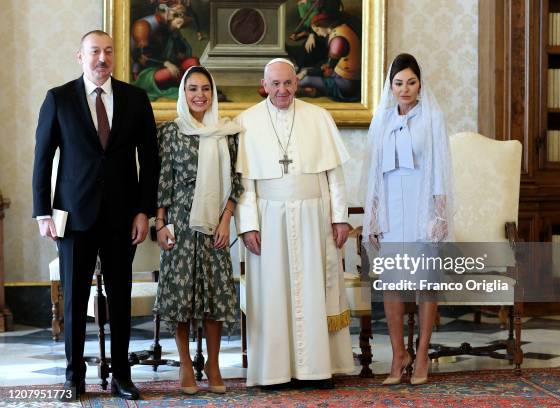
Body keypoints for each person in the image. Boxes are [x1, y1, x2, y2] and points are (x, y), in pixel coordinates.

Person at [32, 30, 159, 400]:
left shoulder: (136, 99)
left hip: (123, 217)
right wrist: (43, 213)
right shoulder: (58, 99)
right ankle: (74, 378)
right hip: (73, 216)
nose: (101, 58)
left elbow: (150, 162)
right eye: (94, 52)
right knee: (73, 300)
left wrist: (144, 211)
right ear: (80, 56)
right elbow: (43, 160)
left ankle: (122, 375)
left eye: (107, 51)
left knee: (120, 298)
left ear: (114, 56)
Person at [235, 58, 354, 387]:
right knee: (273, 293)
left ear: (297, 83)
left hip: (314, 216)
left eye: (288, 83)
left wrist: (340, 217)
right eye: (275, 84)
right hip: (268, 218)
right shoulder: (247, 122)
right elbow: (244, 183)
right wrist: (248, 225)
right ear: (265, 84)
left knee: (315, 289)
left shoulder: (319, 117)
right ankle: (275, 371)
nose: (282, 90)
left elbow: (335, 175)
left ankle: (317, 370)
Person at [362, 53, 453, 386]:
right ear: (391, 85)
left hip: (421, 207)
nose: (405, 89)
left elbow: (441, 167)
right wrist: (371, 216)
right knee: (392, 285)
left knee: (426, 284)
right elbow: (373, 171)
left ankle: (423, 352)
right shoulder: (382, 119)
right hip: (389, 207)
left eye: (411, 82)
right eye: (398, 83)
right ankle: (399, 355)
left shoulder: (433, 118)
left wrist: (439, 213)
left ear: (419, 84)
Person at [153, 66, 243, 394]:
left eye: (205, 88)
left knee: (215, 297)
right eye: (192, 89)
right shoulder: (171, 132)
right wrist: (160, 223)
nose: (199, 95)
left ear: (213, 92)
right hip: (180, 223)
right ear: (183, 93)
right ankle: (186, 366)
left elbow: (236, 179)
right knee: (181, 299)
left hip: (213, 225)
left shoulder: (227, 133)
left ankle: (213, 364)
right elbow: (163, 180)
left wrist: (226, 218)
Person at [297, 13, 361, 102]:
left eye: (318, 30)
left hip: (346, 84)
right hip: (344, 77)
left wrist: (306, 72)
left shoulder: (337, 40)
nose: (318, 34)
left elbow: (328, 70)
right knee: (306, 73)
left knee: (307, 80)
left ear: (324, 25)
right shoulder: (342, 29)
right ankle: (312, 91)